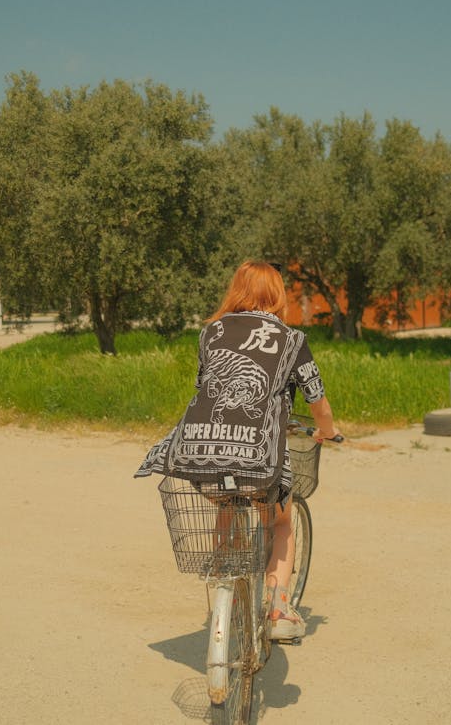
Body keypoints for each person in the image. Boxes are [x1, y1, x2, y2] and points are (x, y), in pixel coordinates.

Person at [134, 260, 341, 640]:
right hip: (258, 462)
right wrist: (327, 431)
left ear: (237, 291)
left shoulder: (209, 333)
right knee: (281, 521)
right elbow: (317, 401)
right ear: (277, 294)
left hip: (197, 453)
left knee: (225, 498)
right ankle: (278, 608)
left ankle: (226, 568)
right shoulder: (293, 341)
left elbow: (205, 385)